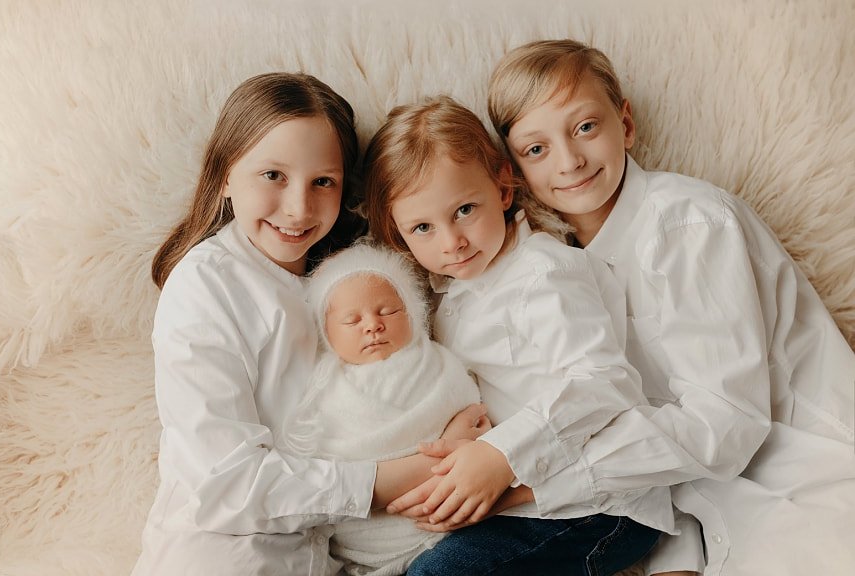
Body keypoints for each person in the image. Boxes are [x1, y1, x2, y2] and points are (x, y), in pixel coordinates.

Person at [476, 38, 855, 575]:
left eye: (585, 126)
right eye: (536, 149)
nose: (570, 160)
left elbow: (724, 425)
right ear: (513, 172)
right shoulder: (558, 271)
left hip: (812, 484)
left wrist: (526, 481)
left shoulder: (687, 223)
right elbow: (648, 431)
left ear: (626, 124)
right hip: (717, 520)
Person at [129, 72, 485, 575]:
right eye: (273, 175)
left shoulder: (347, 279)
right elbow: (227, 485)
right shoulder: (206, 285)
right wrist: (428, 468)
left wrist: (450, 430)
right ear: (226, 175)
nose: (298, 209)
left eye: (323, 182)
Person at [363, 96, 673, 575]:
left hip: (597, 507)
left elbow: (604, 382)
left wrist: (501, 454)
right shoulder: (440, 295)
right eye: (422, 227)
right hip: (513, 504)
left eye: (465, 209)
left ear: (503, 187)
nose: (452, 242)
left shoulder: (543, 273)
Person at [282, 243, 483, 576]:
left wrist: (465, 440)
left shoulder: (438, 365)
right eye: (352, 320)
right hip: (366, 542)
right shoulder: (323, 390)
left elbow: (475, 417)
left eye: (388, 311)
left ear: (412, 313)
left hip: (451, 529)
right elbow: (322, 464)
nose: (373, 325)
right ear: (326, 333)